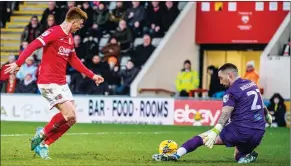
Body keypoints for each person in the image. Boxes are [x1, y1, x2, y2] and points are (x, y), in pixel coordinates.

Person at [4, 7, 104, 160]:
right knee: (68, 113)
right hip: (48, 82)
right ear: (74, 21)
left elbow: (74, 60)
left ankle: (44, 145)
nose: (80, 27)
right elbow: (33, 45)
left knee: (72, 118)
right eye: (80, 24)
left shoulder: (70, 38)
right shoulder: (53, 32)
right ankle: (42, 133)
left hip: (61, 83)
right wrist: (19, 63)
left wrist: (92, 75)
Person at [153, 63, 272, 164]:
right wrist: (267, 116)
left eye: (220, 78)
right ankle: (243, 157)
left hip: (240, 131)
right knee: (237, 154)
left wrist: (215, 132)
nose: (220, 82)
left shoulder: (231, 92)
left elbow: (225, 116)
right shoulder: (251, 84)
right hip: (259, 132)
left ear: (229, 75)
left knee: (200, 138)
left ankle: (176, 155)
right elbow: (261, 104)